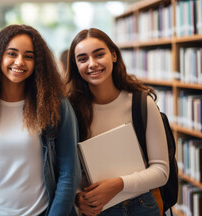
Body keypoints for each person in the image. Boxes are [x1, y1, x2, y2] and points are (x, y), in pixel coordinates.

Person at [0, 24, 81, 216]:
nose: (19, 62)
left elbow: (69, 174)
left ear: (38, 62)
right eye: (12, 53)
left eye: (29, 56)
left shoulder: (56, 106)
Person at [66, 28, 169, 216]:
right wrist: (77, 196)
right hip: (96, 210)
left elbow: (161, 171)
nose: (92, 64)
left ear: (113, 55)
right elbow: (67, 169)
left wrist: (118, 184)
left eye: (99, 55)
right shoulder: (70, 110)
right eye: (82, 59)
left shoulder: (141, 103)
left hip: (142, 206)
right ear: (75, 65)